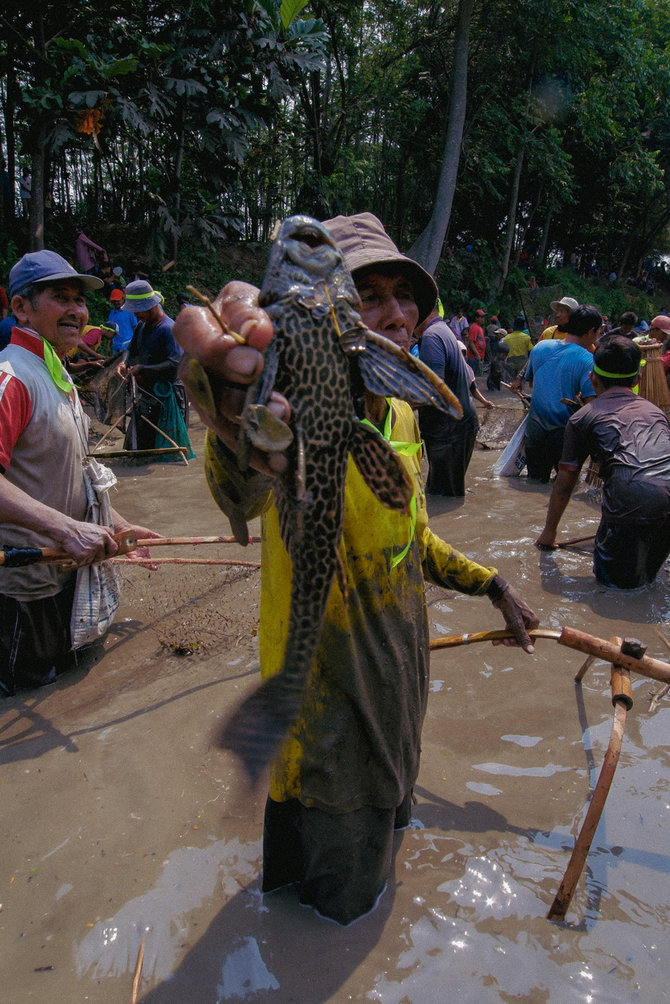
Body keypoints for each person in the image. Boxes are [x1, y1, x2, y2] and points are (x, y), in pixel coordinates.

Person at [173, 211, 539, 926]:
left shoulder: (401, 417)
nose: (397, 312)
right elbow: (240, 492)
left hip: (400, 689)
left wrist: (493, 584)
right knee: (339, 911)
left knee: (382, 851)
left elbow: (415, 541)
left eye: (406, 294)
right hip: (323, 709)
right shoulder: (290, 417)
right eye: (371, 295)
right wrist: (230, 411)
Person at [0, 250, 158, 696]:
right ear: (21, 308)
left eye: (79, 300)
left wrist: (115, 524)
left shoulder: (58, 376)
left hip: (66, 572)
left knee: (65, 689)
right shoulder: (12, 378)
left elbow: (73, 469)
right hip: (23, 585)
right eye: (60, 297)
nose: (76, 310)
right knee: (27, 693)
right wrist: (66, 529)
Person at [535, 335, 670, 588]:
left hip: (631, 502)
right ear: (638, 380)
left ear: (592, 378)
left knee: (613, 589)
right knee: (648, 580)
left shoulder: (582, 418)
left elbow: (565, 484)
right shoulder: (656, 413)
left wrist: (549, 533)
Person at [520, 304, 599, 482]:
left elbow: (532, 382)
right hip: (563, 434)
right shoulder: (587, 360)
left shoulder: (540, 348)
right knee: (564, 485)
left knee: (534, 483)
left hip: (534, 431)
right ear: (591, 332)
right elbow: (591, 404)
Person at [417, 307, 480, 496]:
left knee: (442, 495)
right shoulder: (443, 330)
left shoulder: (431, 337)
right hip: (458, 426)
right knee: (445, 492)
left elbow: (436, 390)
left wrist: (396, 404)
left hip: (449, 431)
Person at [120, 279, 187, 451]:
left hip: (169, 394)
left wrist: (142, 369)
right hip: (147, 395)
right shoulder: (141, 327)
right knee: (137, 446)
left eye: (138, 311)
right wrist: (124, 362)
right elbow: (131, 350)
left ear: (149, 306)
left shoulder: (168, 329)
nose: (135, 315)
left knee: (170, 449)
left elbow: (175, 363)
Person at [466, 309, 486, 375]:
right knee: (475, 377)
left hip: (478, 357)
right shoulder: (474, 327)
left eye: (484, 317)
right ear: (476, 318)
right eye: (481, 317)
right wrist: (477, 354)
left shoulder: (479, 327)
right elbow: (471, 342)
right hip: (473, 358)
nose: (483, 319)